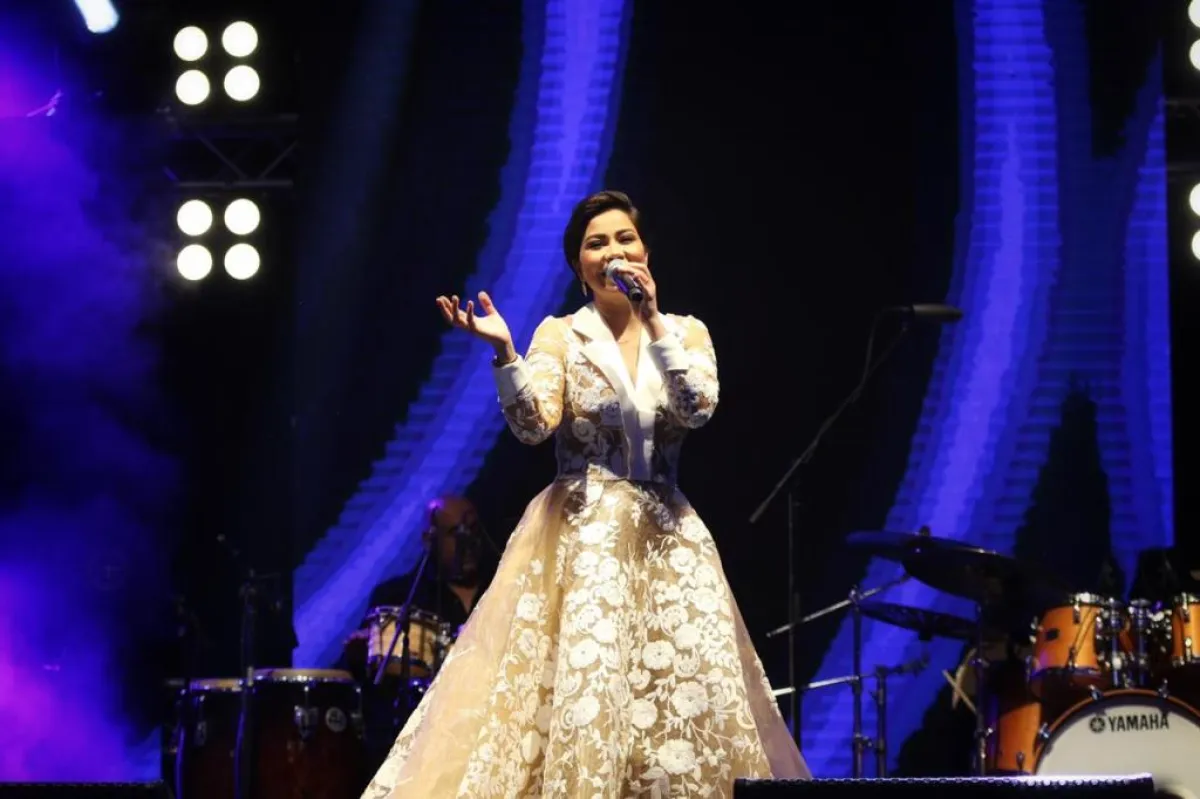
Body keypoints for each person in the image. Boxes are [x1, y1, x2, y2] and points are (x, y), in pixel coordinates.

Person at [362, 190, 810, 798]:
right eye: (596, 244)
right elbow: (534, 425)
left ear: (645, 252)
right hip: (583, 540)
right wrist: (505, 354)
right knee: (586, 691)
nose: (613, 252)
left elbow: (697, 408)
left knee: (680, 700)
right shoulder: (561, 335)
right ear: (580, 266)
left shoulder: (686, 332)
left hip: (667, 543)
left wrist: (653, 320)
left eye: (625, 238)